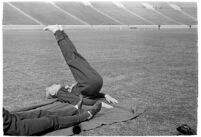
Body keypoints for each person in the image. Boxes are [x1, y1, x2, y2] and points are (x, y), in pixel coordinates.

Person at [43, 25, 118, 108]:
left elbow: (90, 94)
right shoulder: (61, 94)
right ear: (53, 92)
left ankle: (61, 32)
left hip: (93, 83)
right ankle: (57, 31)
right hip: (89, 83)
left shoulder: (66, 90)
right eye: (52, 86)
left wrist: (105, 95)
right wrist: (100, 104)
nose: (55, 84)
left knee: (75, 55)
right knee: (71, 59)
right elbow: (77, 100)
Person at [3, 95, 102, 136]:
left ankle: (75, 110)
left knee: (40, 113)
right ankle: (85, 116)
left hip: (9, 117)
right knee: (51, 121)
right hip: (11, 128)